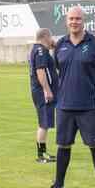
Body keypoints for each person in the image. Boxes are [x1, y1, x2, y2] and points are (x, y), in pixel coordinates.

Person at [44, 6, 95, 188]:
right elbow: (60, 69)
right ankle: (58, 185)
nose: (74, 22)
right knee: (63, 146)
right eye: (71, 19)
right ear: (67, 21)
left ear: (84, 21)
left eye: (78, 19)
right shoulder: (60, 45)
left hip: (89, 107)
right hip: (65, 106)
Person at [29, 28, 58, 163]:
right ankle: (41, 155)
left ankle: (43, 152)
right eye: (50, 37)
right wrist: (47, 90)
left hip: (40, 91)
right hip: (42, 92)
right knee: (44, 123)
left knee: (45, 123)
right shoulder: (40, 50)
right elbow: (40, 71)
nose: (52, 40)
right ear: (46, 36)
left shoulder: (40, 49)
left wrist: (53, 48)